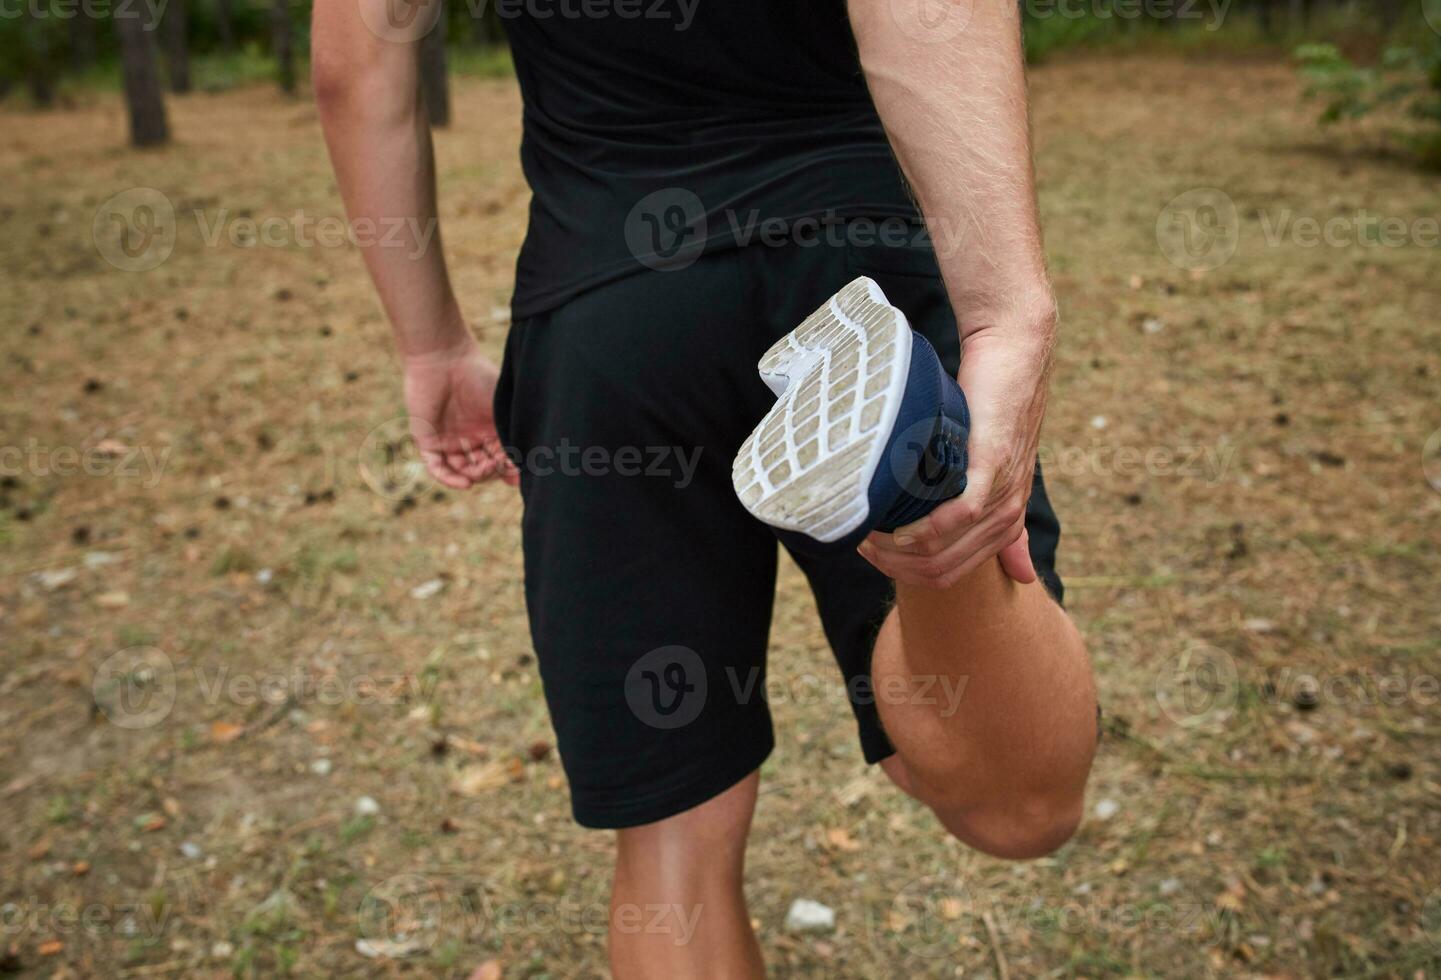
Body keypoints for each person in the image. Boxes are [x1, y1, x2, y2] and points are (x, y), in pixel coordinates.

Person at [312, 0, 1099, 975]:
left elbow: (358, 61)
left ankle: (921, 510)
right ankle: (923, 509)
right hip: (852, 263)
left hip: (611, 300)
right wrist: (1006, 313)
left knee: (672, 840)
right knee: (1019, 805)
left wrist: (431, 343)